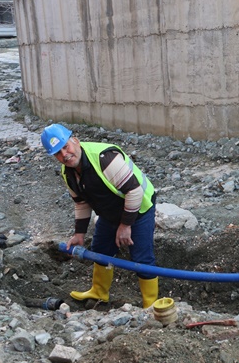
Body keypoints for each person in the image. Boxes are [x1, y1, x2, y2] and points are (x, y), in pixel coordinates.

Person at [41, 123, 159, 308]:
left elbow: (134, 192)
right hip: (110, 211)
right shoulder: (68, 172)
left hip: (139, 208)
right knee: (100, 251)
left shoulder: (105, 158)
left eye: (66, 147)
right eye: (57, 152)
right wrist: (79, 234)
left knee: (142, 258)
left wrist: (126, 225)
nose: (64, 154)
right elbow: (81, 202)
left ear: (76, 141)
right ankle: (99, 292)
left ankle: (151, 304)